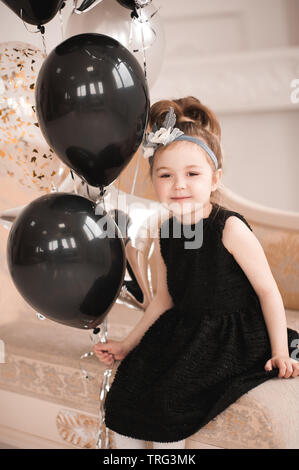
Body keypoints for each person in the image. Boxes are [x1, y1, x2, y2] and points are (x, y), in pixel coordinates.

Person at [93, 96, 299, 450]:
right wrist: (128, 344)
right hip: (185, 326)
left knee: (170, 399)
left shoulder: (230, 229)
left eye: (192, 174)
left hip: (230, 331)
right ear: (153, 181)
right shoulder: (167, 231)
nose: (179, 185)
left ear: (215, 178)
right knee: (132, 383)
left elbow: (268, 292)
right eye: (166, 175)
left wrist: (279, 350)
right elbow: (164, 297)